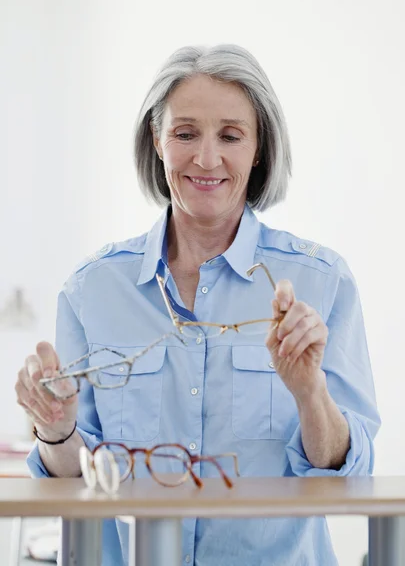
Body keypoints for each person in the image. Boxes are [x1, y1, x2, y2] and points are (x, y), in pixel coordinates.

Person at [15, 44, 380, 566]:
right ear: (158, 142)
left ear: (258, 150)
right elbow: (79, 479)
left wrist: (309, 394)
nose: (206, 159)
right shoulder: (90, 290)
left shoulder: (321, 282)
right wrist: (55, 429)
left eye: (230, 136)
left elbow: (350, 478)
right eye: (185, 133)